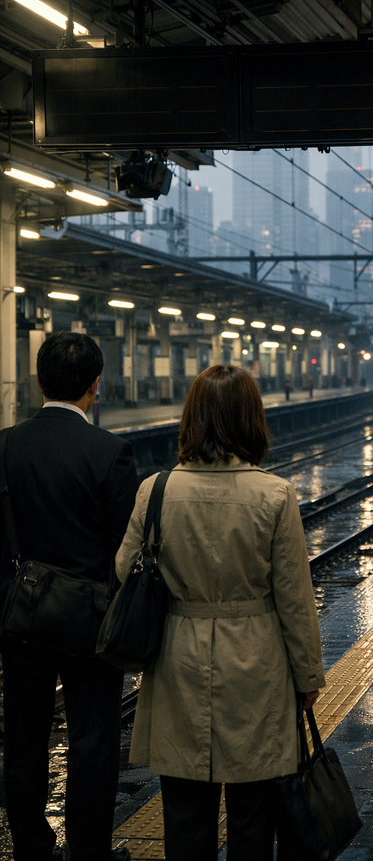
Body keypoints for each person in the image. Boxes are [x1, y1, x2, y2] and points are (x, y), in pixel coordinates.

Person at [115, 364, 326, 861]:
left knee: (185, 821)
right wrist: (308, 676)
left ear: (192, 419)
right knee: (254, 820)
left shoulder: (156, 490)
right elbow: (294, 597)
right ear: (252, 420)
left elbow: (125, 570)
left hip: (176, 662)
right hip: (257, 666)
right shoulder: (274, 494)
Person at [1, 331, 139, 861]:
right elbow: (126, 547)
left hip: (22, 620)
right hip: (92, 623)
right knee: (92, 743)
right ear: (95, 386)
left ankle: (32, 850)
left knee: (24, 742)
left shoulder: (5, 445)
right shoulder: (110, 452)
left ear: (38, 380)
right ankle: (89, 852)